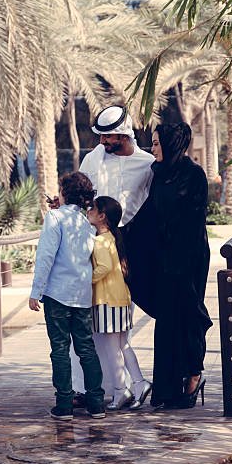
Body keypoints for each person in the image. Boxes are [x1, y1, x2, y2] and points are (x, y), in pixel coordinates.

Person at [125, 122, 213, 410]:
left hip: (188, 259)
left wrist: (177, 259)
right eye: (152, 142)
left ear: (173, 144)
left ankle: (193, 374)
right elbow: (149, 213)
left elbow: (191, 221)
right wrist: (119, 237)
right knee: (167, 322)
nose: (153, 148)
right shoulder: (159, 174)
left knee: (187, 316)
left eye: (157, 143)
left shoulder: (194, 175)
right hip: (164, 260)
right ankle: (167, 390)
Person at [74, 105, 155, 400]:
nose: (103, 143)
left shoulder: (147, 164)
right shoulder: (92, 159)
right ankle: (88, 388)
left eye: (109, 138)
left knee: (118, 326)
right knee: (91, 320)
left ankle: (120, 387)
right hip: (94, 240)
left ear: (124, 135)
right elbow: (82, 197)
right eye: (101, 137)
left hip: (130, 246)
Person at [29, 172, 105, 421]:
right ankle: (96, 404)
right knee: (86, 348)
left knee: (60, 349)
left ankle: (64, 405)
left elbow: (46, 256)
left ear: (63, 192)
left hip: (57, 295)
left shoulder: (54, 217)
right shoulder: (86, 222)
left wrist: (35, 291)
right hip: (82, 294)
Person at [87, 196, 152, 410]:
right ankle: (139, 384)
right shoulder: (112, 237)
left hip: (107, 300)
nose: (88, 211)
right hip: (120, 298)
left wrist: (85, 280)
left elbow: (103, 267)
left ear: (102, 216)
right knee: (123, 345)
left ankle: (120, 390)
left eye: (92, 209)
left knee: (113, 349)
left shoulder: (99, 241)